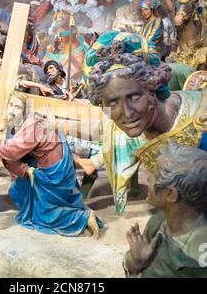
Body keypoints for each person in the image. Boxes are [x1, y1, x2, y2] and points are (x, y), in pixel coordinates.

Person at [81, 32, 207, 214]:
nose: (127, 113)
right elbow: (95, 129)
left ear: (153, 89)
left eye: (135, 97)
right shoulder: (127, 129)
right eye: (113, 103)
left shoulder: (200, 117)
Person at [0, 92, 101, 238]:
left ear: (25, 110)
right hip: (53, 162)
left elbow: (11, 150)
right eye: (10, 105)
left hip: (55, 172)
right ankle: (36, 199)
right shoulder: (28, 121)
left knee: (46, 215)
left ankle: (84, 217)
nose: (12, 110)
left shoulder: (32, 125)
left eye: (17, 107)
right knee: (17, 190)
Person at [123, 144, 207, 278]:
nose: (149, 179)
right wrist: (135, 262)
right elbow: (133, 268)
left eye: (155, 175)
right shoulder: (157, 222)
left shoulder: (198, 256)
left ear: (171, 194)